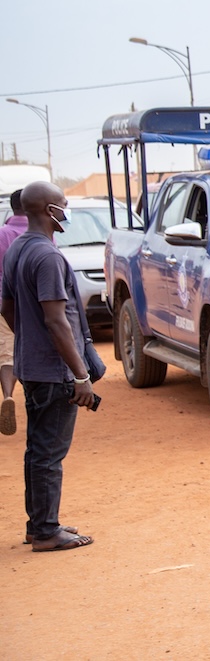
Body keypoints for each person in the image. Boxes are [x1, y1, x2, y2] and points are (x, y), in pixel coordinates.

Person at [0, 181, 96, 551]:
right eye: (63, 204)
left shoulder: (18, 249)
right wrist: (81, 375)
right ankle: (45, 531)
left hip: (32, 364)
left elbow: (7, 307)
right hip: (54, 370)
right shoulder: (48, 257)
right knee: (49, 454)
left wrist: (31, 339)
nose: (66, 211)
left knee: (37, 450)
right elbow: (57, 321)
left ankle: (38, 524)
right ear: (48, 210)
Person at [1, 189, 28, 435]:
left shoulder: (3, 234)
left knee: (7, 352)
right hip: (34, 304)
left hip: (4, 302)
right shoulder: (41, 235)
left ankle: (8, 395)